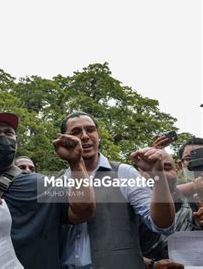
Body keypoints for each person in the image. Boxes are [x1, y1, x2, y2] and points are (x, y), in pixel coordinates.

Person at [0, 111, 96, 268]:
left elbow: (83, 212)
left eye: (9, 133)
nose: (4, 138)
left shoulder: (45, 184)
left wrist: (76, 163)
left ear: (16, 139)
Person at [58, 112, 175, 269]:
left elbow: (163, 225)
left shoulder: (124, 173)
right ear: (63, 139)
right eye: (76, 132)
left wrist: (158, 176)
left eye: (90, 129)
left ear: (98, 136)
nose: (85, 136)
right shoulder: (57, 181)